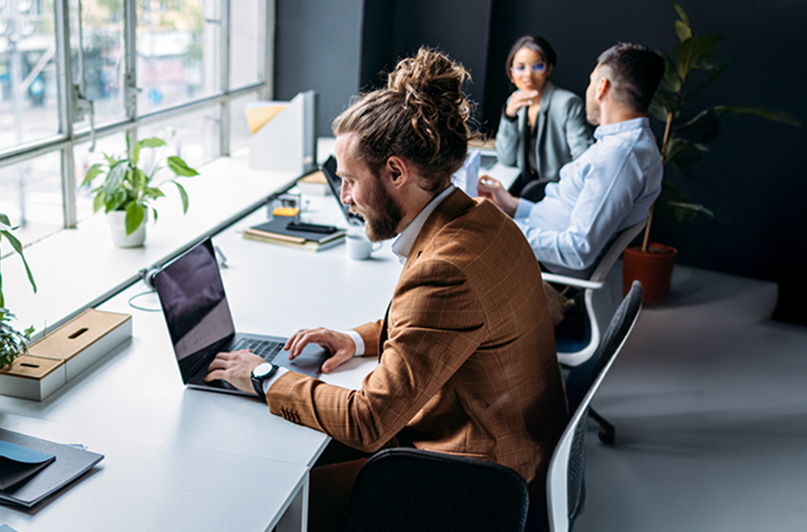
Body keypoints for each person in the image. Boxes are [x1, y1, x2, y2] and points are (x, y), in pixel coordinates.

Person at [205, 48, 567, 530]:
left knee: (266, 497)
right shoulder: (481, 222)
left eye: (350, 181)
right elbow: (444, 327)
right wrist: (354, 340)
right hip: (512, 451)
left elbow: (369, 422)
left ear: (397, 172)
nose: (345, 197)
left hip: (471, 487)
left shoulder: (446, 269)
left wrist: (264, 376)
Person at [480, 42, 666, 279]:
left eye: (590, 81)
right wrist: (513, 206)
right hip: (538, 239)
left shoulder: (619, 156)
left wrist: (500, 229)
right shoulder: (620, 143)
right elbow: (568, 213)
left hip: (541, 265)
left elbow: (578, 251)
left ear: (601, 87)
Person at [496, 35, 594, 202]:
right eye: (520, 67)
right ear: (511, 73)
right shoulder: (515, 103)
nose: (528, 74)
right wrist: (509, 116)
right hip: (524, 188)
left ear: (549, 69)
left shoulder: (567, 103)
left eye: (538, 66)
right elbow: (506, 159)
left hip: (558, 192)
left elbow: (583, 159)